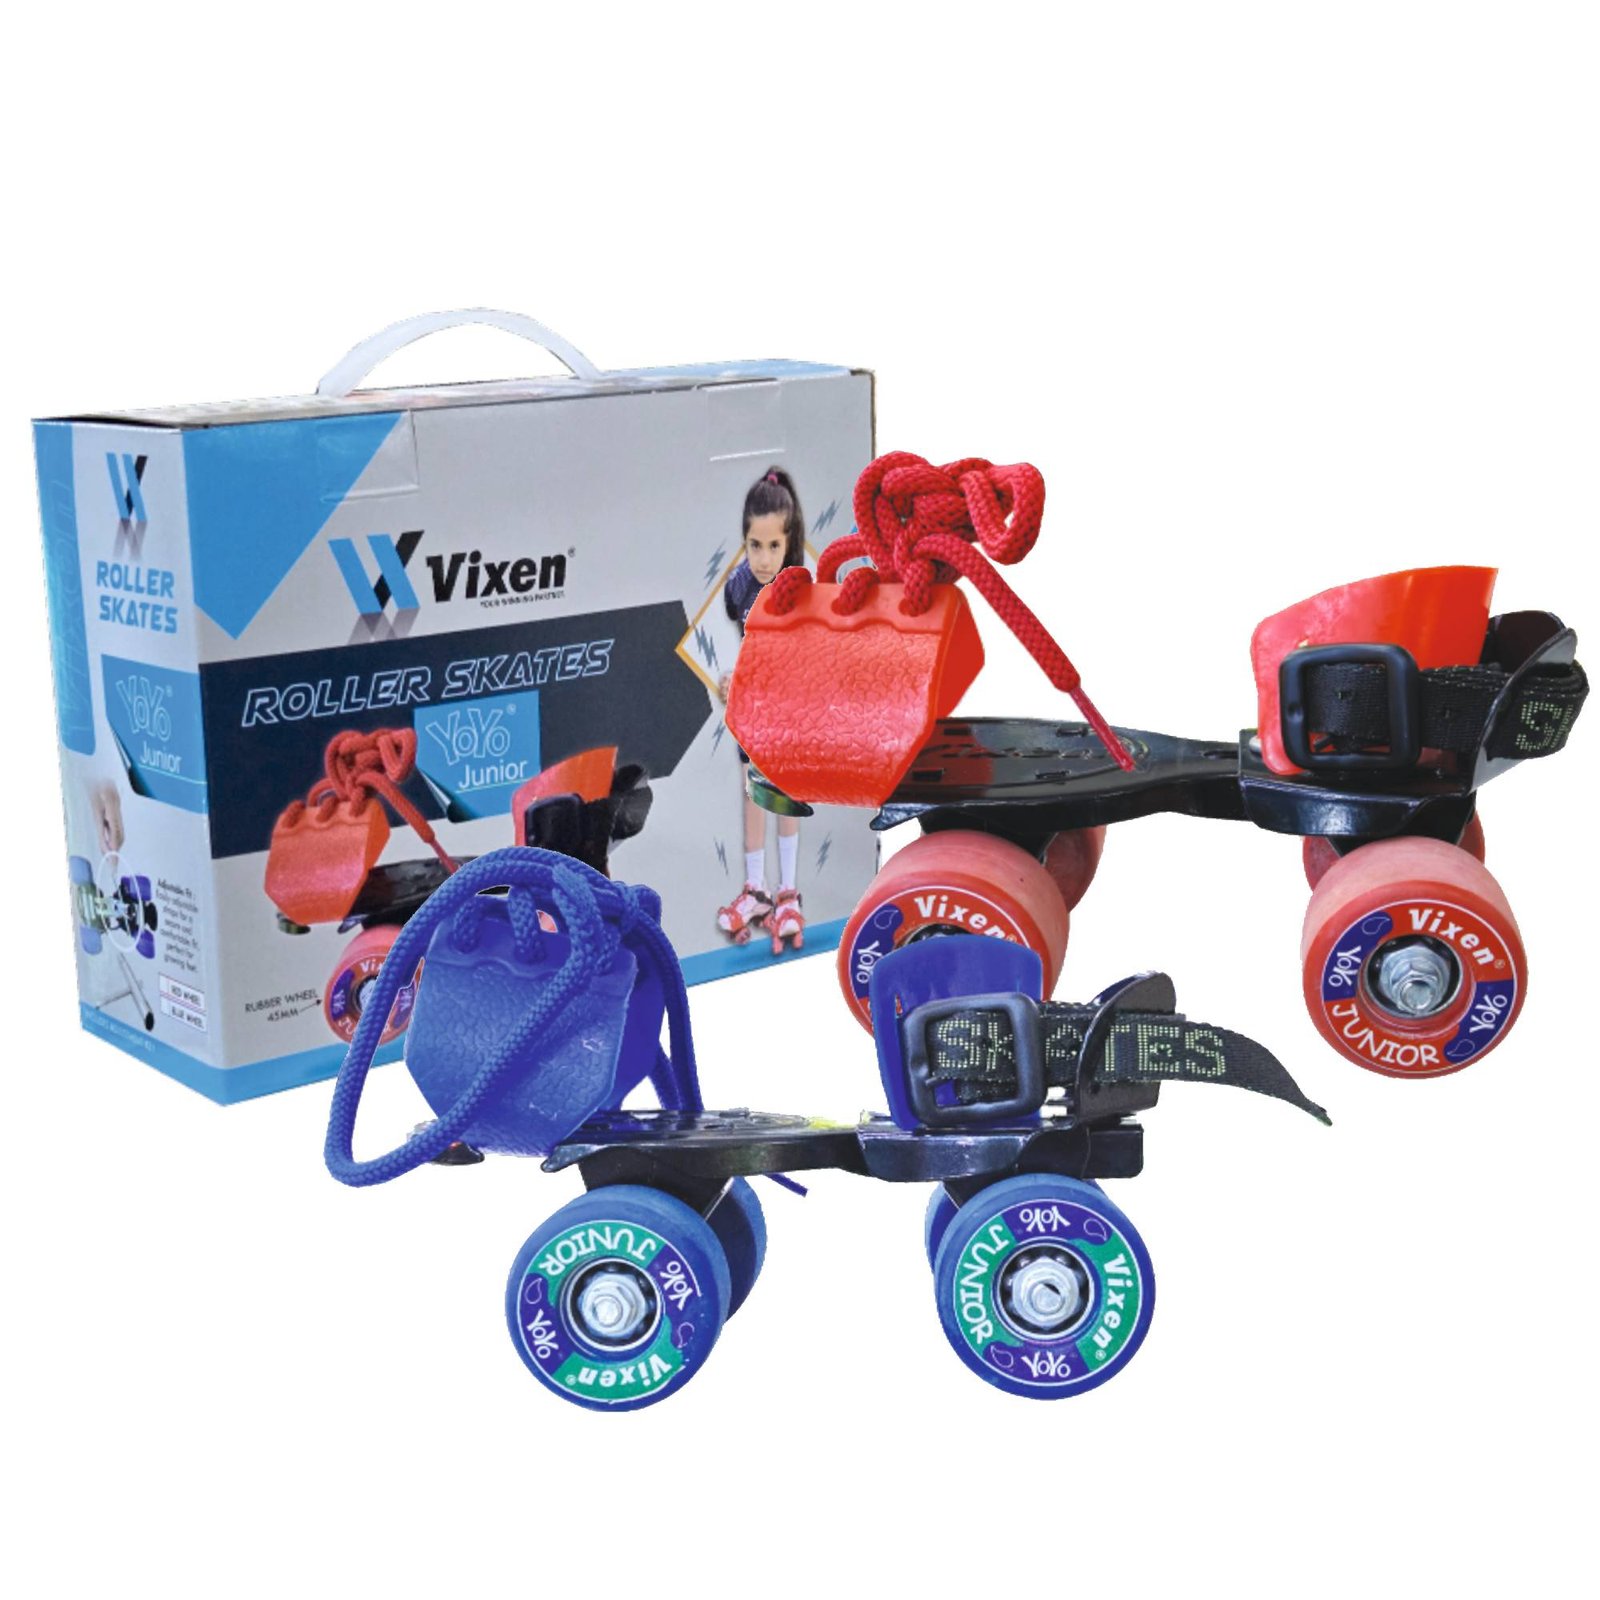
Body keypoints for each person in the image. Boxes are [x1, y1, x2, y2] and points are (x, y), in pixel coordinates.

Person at [717, 467, 807, 953]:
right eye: (755, 545)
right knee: (752, 791)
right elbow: (741, 641)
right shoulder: (738, 586)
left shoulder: (800, 589)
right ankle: (756, 890)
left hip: (788, 707)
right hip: (752, 707)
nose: (764, 558)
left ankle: (788, 892)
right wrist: (732, 679)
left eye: (774, 546)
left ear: (789, 543)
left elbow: (802, 658)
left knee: (783, 793)